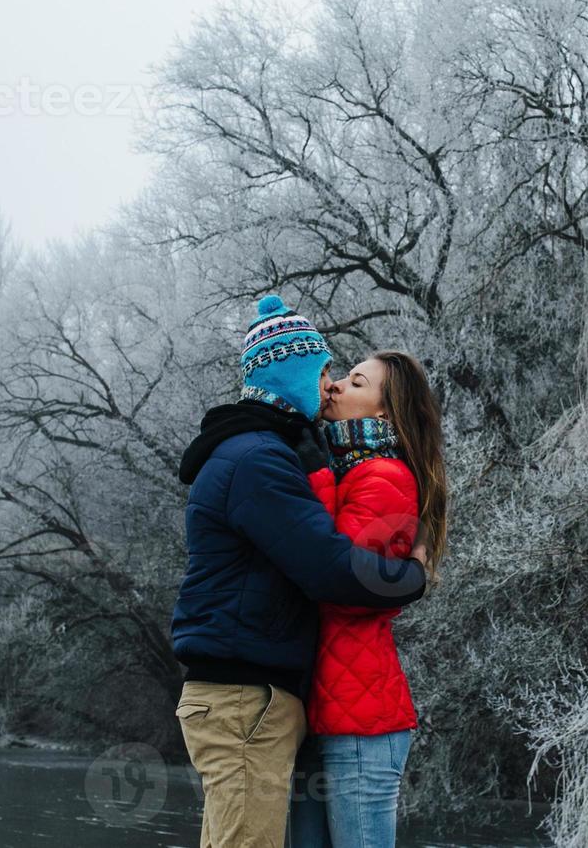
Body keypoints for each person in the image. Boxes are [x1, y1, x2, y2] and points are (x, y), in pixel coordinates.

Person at [171, 295, 430, 848]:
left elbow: (328, 555)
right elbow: (330, 570)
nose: (331, 385)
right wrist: (414, 579)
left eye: (349, 378)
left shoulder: (272, 456)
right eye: (324, 372)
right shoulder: (261, 460)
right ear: (294, 378)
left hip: (290, 701)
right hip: (249, 697)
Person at [289, 351, 448, 848]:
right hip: (325, 708)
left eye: (356, 383)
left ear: (383, 412)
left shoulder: (385, 477)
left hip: (362, 722)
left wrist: (314, 476)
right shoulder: (350, 470)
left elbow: (345, 587)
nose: (335, 387)